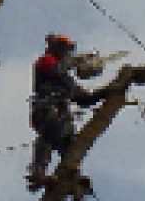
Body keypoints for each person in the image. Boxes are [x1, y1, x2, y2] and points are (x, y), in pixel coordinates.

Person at [27, 33, 107, 191]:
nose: (66, 54)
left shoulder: (67, 81)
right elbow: (55, 69)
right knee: (50, 134)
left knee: (70, 146)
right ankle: (38, 172)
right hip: (46, 110)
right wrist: (75, 62)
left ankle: (73, 179)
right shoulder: (45, 61)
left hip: (62, 116)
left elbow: (85, 99)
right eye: (64, 50)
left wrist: (108, 91)